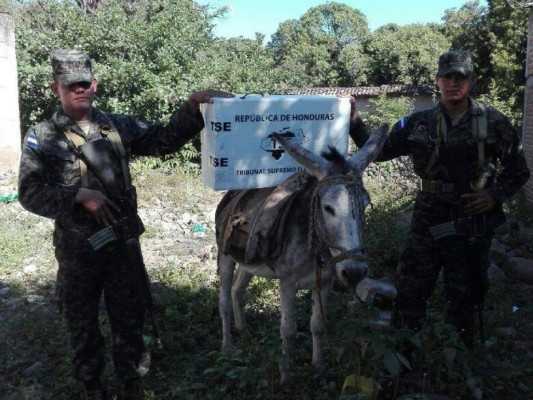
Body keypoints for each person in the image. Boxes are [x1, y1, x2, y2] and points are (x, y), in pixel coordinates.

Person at [18, 49, 233, 400]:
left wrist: (194, 107)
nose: (79, 90)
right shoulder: (42, 136)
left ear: (95, 84)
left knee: (129, 314)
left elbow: (163, 140)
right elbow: (29, 192)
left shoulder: (117, 125)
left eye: (85, 83)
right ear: (54, 88)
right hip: (77, 248)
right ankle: (92, 383)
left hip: (120, 241)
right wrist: (78, 196)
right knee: (81, 319)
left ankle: (130, 381)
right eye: (70, 85)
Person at [349, 50, 530, 348]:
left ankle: (456, 359)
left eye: (460, 77)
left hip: (471, 222)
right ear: (438, 81)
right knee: (410, 291)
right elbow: (379, 152)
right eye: (447, 77)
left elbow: (518, 170)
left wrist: (493, 196)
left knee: (464, 295)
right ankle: (402, 357)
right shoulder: (418, 122)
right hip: (427, 222)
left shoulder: (494, 122)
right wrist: (355, 120)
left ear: (471, 81)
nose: (453, 83)